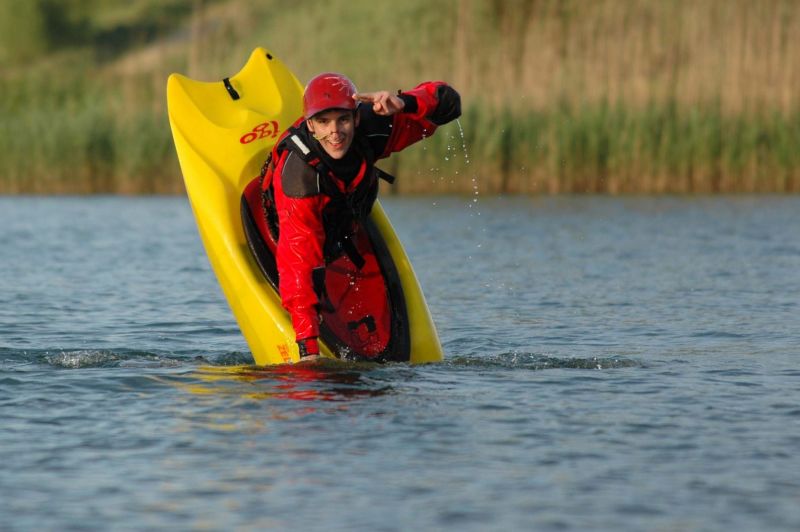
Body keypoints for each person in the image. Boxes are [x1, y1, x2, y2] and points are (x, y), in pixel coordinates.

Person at [260, 72, 461, 361]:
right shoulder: (299, 177)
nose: (335, 132)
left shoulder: (374, 124)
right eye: (323, 121)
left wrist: (404, 103)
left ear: (356, 118)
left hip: (345, 213)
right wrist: (308, 350)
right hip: (291, 228)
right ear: (310, 126)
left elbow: (449, 104)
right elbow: (298, 265)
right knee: (308, 263)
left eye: (342, 119)